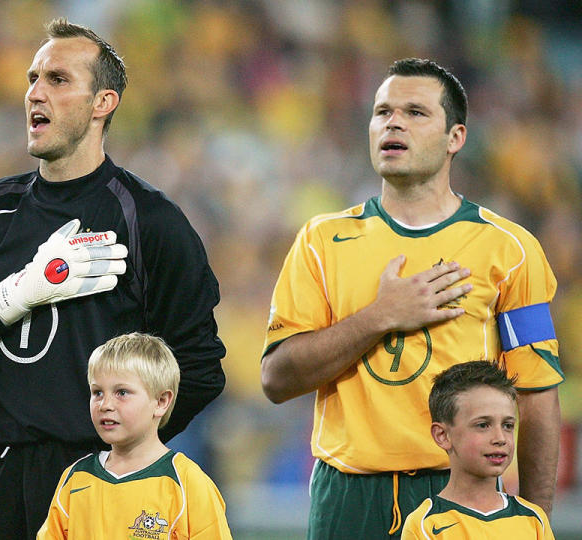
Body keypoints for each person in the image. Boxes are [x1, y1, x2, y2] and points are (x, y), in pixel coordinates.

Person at [0, 18, 226, 540]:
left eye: (57, 79)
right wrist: (15, 296)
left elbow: (198, 368)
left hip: (101, 482)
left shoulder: (150, 220)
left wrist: (127, 451)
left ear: (102, 102)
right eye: (32, 78)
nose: (35, 93)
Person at [259, 58, 562, 539]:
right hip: (347, 497)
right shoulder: (321, 240)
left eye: (416, 112)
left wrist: (537, 519)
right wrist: (379, 317)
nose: (392, 122)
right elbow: (276, 379)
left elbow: (537, 393)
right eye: (382, 112)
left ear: (455, 138)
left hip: (460, 493)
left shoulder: (511, 250)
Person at [36, 333, 232, 539]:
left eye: (121, 392)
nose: (105, 405)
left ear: (161, 402)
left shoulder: (188, 483)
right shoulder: (75, 478)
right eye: (97, 393)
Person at [400, 361, 554, 539]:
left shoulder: (533, 520)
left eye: (508, 425)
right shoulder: (425, 526)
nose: (500, 438)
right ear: (442, 435)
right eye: (483, 425)